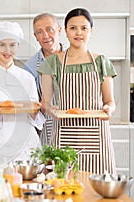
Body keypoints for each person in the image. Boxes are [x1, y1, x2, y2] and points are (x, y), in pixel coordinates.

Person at [38, 8, 117, 174]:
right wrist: (52, 111)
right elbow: (45, 104)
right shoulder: (52, 63)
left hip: (96, 134)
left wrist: (109, 109)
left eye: (84, 28)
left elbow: (109, 101)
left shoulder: (101, 62)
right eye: (73, 28)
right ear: (65, 31)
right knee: (61, 190)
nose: (78, 32)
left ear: (91, 31)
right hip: (64, 134)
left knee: (96, 192)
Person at [0, 21, 44, 166]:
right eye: (2, 45)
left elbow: (34, 110)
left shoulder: (26, 77)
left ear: (18, 46)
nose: (7, 50)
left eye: (12, 45)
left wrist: (35, 111)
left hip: (26, 145)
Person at [24, 13, 64, 146]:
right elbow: (29, 103)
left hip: (73, 124)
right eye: (39, 32)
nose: (45, 35)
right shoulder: (30, 67)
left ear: (59, 30)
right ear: (35, 37)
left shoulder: (76, 59)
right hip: (45, 129)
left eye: (49, 29)